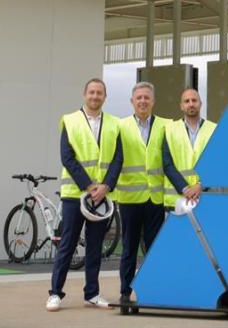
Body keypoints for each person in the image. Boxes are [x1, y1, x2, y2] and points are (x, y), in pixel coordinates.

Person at [48, 77, 122, 311]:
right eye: (91, 92)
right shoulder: (70, 121)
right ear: (84, 94)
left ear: (105, 97)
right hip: (75, 194)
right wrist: (90, 186)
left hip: (101, 196)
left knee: (95, 246)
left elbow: (118, 159)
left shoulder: (114, 123)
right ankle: (55, 293)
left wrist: (106, 186)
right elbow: (67, 157)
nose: (95, 96)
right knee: (67, 244)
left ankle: (92, 293)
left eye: (99, 93)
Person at [115, 82, 169, 305]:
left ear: (153, 101)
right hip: (129, 199)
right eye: (139, 98)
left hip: (155, 198)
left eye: (147, 97)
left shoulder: (165, 126)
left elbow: (170, 161)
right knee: (129, 248)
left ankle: (153, 290)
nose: (143, 101)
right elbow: (115, 160)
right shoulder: (121, 126)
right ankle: (126, 291)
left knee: (154, 249)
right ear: (132, 101)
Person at [162, 87, 213, 209]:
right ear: (181, 106)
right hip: (177, 200)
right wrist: (185, 188)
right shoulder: (170, 130)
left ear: (200, 104)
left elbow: (217, 163)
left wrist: (201, 185)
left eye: (194, 100)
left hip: (205, 196)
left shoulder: (214, 129)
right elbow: (167, 164)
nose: (191, 104)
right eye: (187, 101)